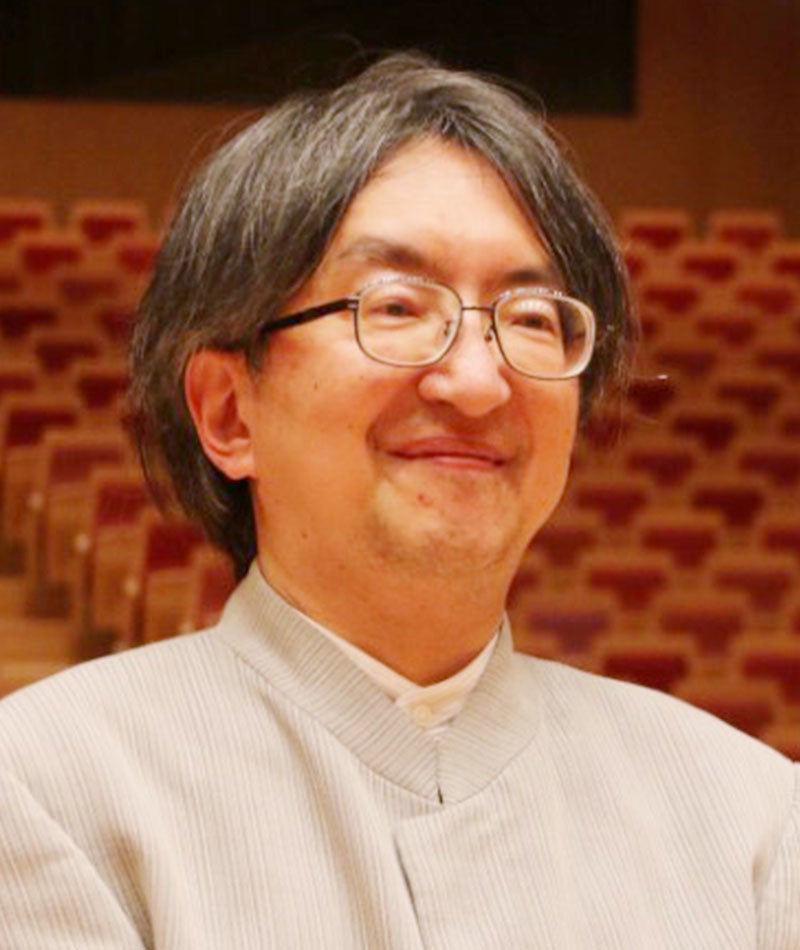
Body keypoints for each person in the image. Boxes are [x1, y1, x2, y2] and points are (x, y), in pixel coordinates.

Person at [0, 53, 797, 949]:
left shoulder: (751, 821)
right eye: (395, 307)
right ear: (229, 412)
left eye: (532, 317)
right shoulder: (48, 790)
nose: (476, 381)